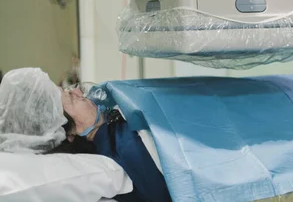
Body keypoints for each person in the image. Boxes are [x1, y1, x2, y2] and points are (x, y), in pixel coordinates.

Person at [0, 67, 172, 202]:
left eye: (69, 89)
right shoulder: (125, 150)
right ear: (69, 134)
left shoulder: (114, 129)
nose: (78, 92)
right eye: (71, 98)